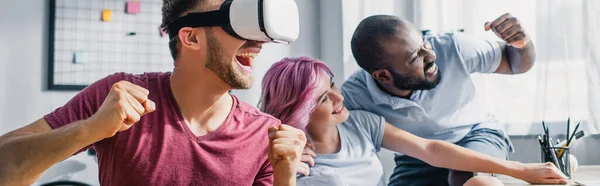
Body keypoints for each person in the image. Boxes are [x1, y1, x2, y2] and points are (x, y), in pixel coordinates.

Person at [0, 0, 305, 185]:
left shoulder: (266, 136)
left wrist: (285, 179)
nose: (258, 43)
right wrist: (91, 130)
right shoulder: (118, 97)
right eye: (238, 23)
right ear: (191, 38)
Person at [258, 56, 567, 186]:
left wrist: (524, 170)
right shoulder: (289, 158)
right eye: (324, 99)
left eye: (333, 86)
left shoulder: (361, 123)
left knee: (483, 183)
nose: (340, 98)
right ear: (301, 110)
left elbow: (431, 149)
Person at [342, 14, 537, 186]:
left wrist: (521, 43)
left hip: (474, 133)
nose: (431, 56)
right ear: (383, 76)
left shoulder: (452, 46)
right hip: (416, 157)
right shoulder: (354, 96)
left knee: (466, 177)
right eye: (415, 58)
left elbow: (514, 64)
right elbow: (325, 133)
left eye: (424, 44)